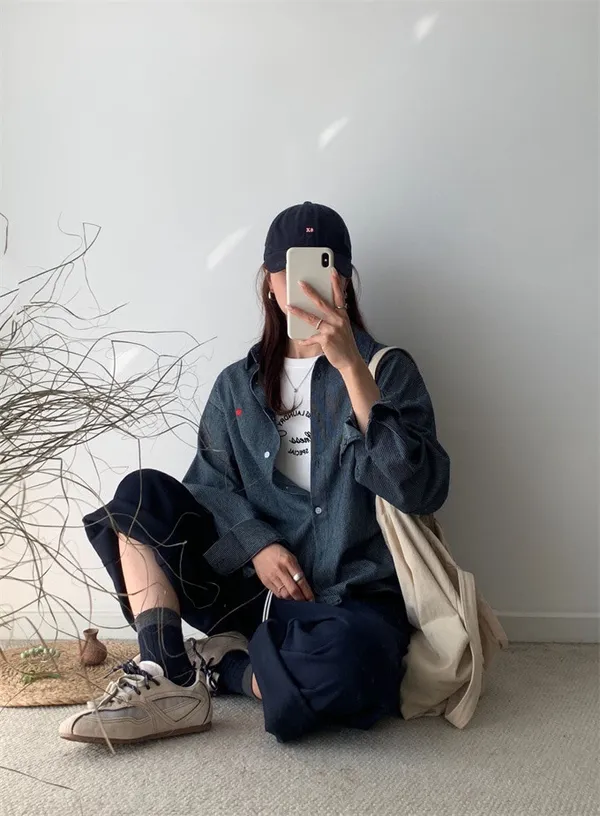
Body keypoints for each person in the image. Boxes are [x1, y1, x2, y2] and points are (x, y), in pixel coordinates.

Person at [59, 202, 450, 745]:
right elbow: (207, 486)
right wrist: (259, 545)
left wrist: (351, 369)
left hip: (349, 599)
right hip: (250, 592)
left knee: (353, 673)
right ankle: (167, 671)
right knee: (141, 494)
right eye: (291, 270)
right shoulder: (236, 385)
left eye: (324, 269)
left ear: (344, 281)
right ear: (269, 281)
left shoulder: (387, 370)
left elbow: (421, 489)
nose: (306, 286)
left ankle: (228, 667)